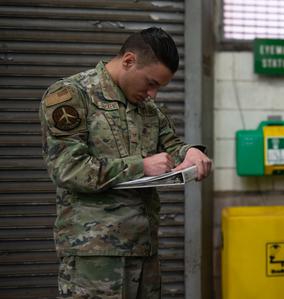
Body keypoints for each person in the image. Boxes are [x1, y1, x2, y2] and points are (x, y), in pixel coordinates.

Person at [39, 27, 212, 298]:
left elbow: (172, 148)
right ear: (129, 61)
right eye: (151, 83)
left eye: (160, 88)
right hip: (95, 258)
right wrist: (140, 166)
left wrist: (190, 153)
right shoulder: (72, 96)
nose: (153, 94)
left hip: (144, 251)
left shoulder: (148, 110)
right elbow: (67, 168)